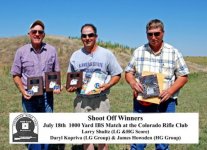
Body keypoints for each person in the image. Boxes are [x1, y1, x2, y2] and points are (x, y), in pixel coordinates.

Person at [125, 19, 189, 150]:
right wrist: (132, 82)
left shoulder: (173, 52)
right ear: (146, 34)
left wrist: (170, 91)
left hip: (166, 102)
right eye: (150, 34)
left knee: (162, 143)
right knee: (138, 143)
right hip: (142, 103)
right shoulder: (138, 51)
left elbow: (183, 76)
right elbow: (128, 72)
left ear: (163, 33)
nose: (153, 37)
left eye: (157, 34)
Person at [67, 23, 123, 150]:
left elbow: (117, 74)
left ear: (96, 36)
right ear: (81, 37)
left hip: (100, 99)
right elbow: (70, 80)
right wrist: (71, 88)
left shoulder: (106, 54)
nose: (87, 38)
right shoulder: (75, 56)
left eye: (90, 35)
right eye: (84, 35)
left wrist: (108, 84)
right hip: (81, 100)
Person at [11, 20, 61, 150]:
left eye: (40, 32)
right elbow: (15, 74)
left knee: (46, 127)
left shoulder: (52, 50)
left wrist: (56, 87)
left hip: (47, 96)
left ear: (44, 34)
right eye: (34, 31)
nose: (37, 34)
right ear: (29, 34)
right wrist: (23, 91)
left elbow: (56, 73)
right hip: (29, 96)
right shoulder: (21, 52)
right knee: (31, 129)